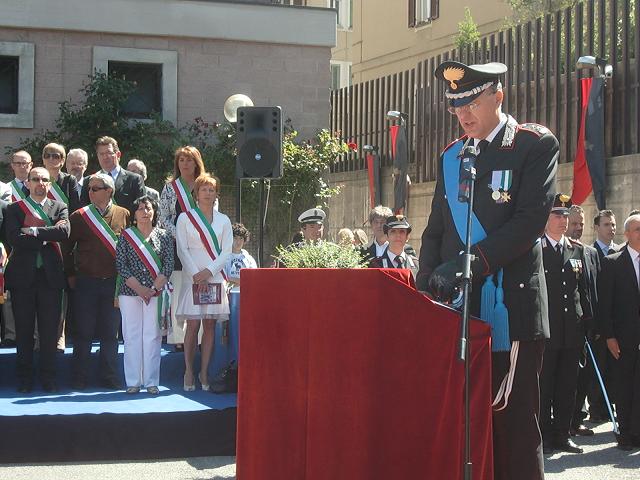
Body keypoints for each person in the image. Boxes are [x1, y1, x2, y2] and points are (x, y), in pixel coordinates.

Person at [416, 61, 558, 480]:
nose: (463, 115)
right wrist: (426, 284)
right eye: (456, 107)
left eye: (472, 104)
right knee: (466, 424)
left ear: (499, 96)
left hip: (509, 307)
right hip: (461, 310)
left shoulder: (533, 145)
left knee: (512, 423)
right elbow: (437, 227)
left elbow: (530, 220)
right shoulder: (452, 156)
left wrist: (472, 262)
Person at [5, 167, 70, 393]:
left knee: (49, 332)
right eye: (35, 179)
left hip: (50, 279)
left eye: (44, 180)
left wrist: (32, 231)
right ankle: (24, 379)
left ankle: (48, 378)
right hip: (23, 278)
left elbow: (63, 234)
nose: (40, 183)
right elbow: (14, 237)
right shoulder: (14, 209)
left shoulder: (59, 207)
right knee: (23, 332)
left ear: (49, 184)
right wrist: (45, 236)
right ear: (28, 183)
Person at [64, 173, 130, 390]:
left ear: (109, 190)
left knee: (110, 334)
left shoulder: (124, 214)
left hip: (113, 284)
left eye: (95, 188)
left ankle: (109, 377)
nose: (90, 192)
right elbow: (66, 249)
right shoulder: (79, 216)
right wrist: (71, 275)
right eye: (89, 189)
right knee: (83, 332)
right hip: (86, 283)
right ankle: (79, 377)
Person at [539, 194, 591, 454]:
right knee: (545, 385)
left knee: (567, 386)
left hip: (572, 330)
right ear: (546, 218)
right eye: (557, 215)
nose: (563, 220)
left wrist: (589, 325)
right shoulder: (536, 249)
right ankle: (545, 436)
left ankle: (563, 433)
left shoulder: (576, 249)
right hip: (546, 330)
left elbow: (583, 290)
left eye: (565, 215)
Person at [175, 174, 232, 391]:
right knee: (193, 324)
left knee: (209, 325)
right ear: (196, 194)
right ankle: (189, 370)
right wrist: (196, 274)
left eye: (212, 189)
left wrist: (209, 271)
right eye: (204, 189)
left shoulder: (224, 220)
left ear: (217, 193)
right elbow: (182, 249)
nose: (208, 193)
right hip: (193, 276)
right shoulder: (185, 218)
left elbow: (226, 251)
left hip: (214, 276)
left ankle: (204, 371)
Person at [115, 195, 173, 395]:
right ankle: (133, 381)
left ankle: (151, 381)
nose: (145, 212)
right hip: (130, 293)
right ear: (134, 213)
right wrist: (140, 289)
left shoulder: (164, 236)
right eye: (140, 208)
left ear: (154, 211)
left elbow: (168, 265)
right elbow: (121, 266)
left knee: (152, 336)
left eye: (148, 208)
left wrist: (153, 289)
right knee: (131, 337)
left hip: (155, 293)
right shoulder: (125, 236)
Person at [158, 146, 207, 352]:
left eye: (189, 160)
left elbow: (213, 215)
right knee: (179, 291)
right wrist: (180, 234)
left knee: (201, 292)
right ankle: (179, 337)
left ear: (197, 162)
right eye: (181, 160)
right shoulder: (171, 188)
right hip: (178, 248)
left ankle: (201, 336)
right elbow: (163, 218)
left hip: (203, 249)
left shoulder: (205, 186)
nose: (185, 164)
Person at [598, 213, 640, 450]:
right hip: (623, 338)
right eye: (636, 229)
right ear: (627, 234)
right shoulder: (613, 262)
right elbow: (605, 305)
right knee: (624, 385)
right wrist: (609, 336)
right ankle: (625, 431)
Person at [41, 143, 82, 352]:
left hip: (63, 244)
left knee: (62, 290)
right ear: (42, 158)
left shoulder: (69, 181)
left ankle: (60, 335)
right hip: (38, 242)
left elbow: (75, 211)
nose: (52, 158)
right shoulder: (36, 177)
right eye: (48, 155)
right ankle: (40, 336)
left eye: (57, 155)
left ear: (63, 159)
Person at [567, 205, 600, 437]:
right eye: (574, 224)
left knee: (583, 377)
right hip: (564, 325)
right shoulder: (560, 252)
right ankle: (558, 422)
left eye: (581, 224)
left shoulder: (590, 252)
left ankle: (576, 419)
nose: (578, 228)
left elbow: (594, 290)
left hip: (587, 325)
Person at [590, 208, 621, 423]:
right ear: (596, 228)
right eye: (606, 225)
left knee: (615, 367)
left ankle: (613, 404)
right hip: (598, 322)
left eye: (613, 224)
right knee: (597, 367)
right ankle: (597, 408)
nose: (611, 228)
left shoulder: (621, 252)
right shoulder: (589, 252)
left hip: (617, 321)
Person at [81, 136, 145, 213]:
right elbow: (84, 211)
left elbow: (141, 209)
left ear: (118, 155)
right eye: (101, 154)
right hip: (97, 224)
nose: (105, 157)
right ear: (97, 156)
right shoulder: (88, 181)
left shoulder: (134, 180)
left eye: (109, 153)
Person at [224, 223, 257, 291]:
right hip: (229, 295)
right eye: (235, 238)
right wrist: (242, 281)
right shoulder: (224, 257)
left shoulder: (249, 259)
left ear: (244, 240)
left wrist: (233, 280)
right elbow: (223, 279)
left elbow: (254, 279)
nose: (238, 242)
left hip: (246, 293)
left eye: (241, 238)